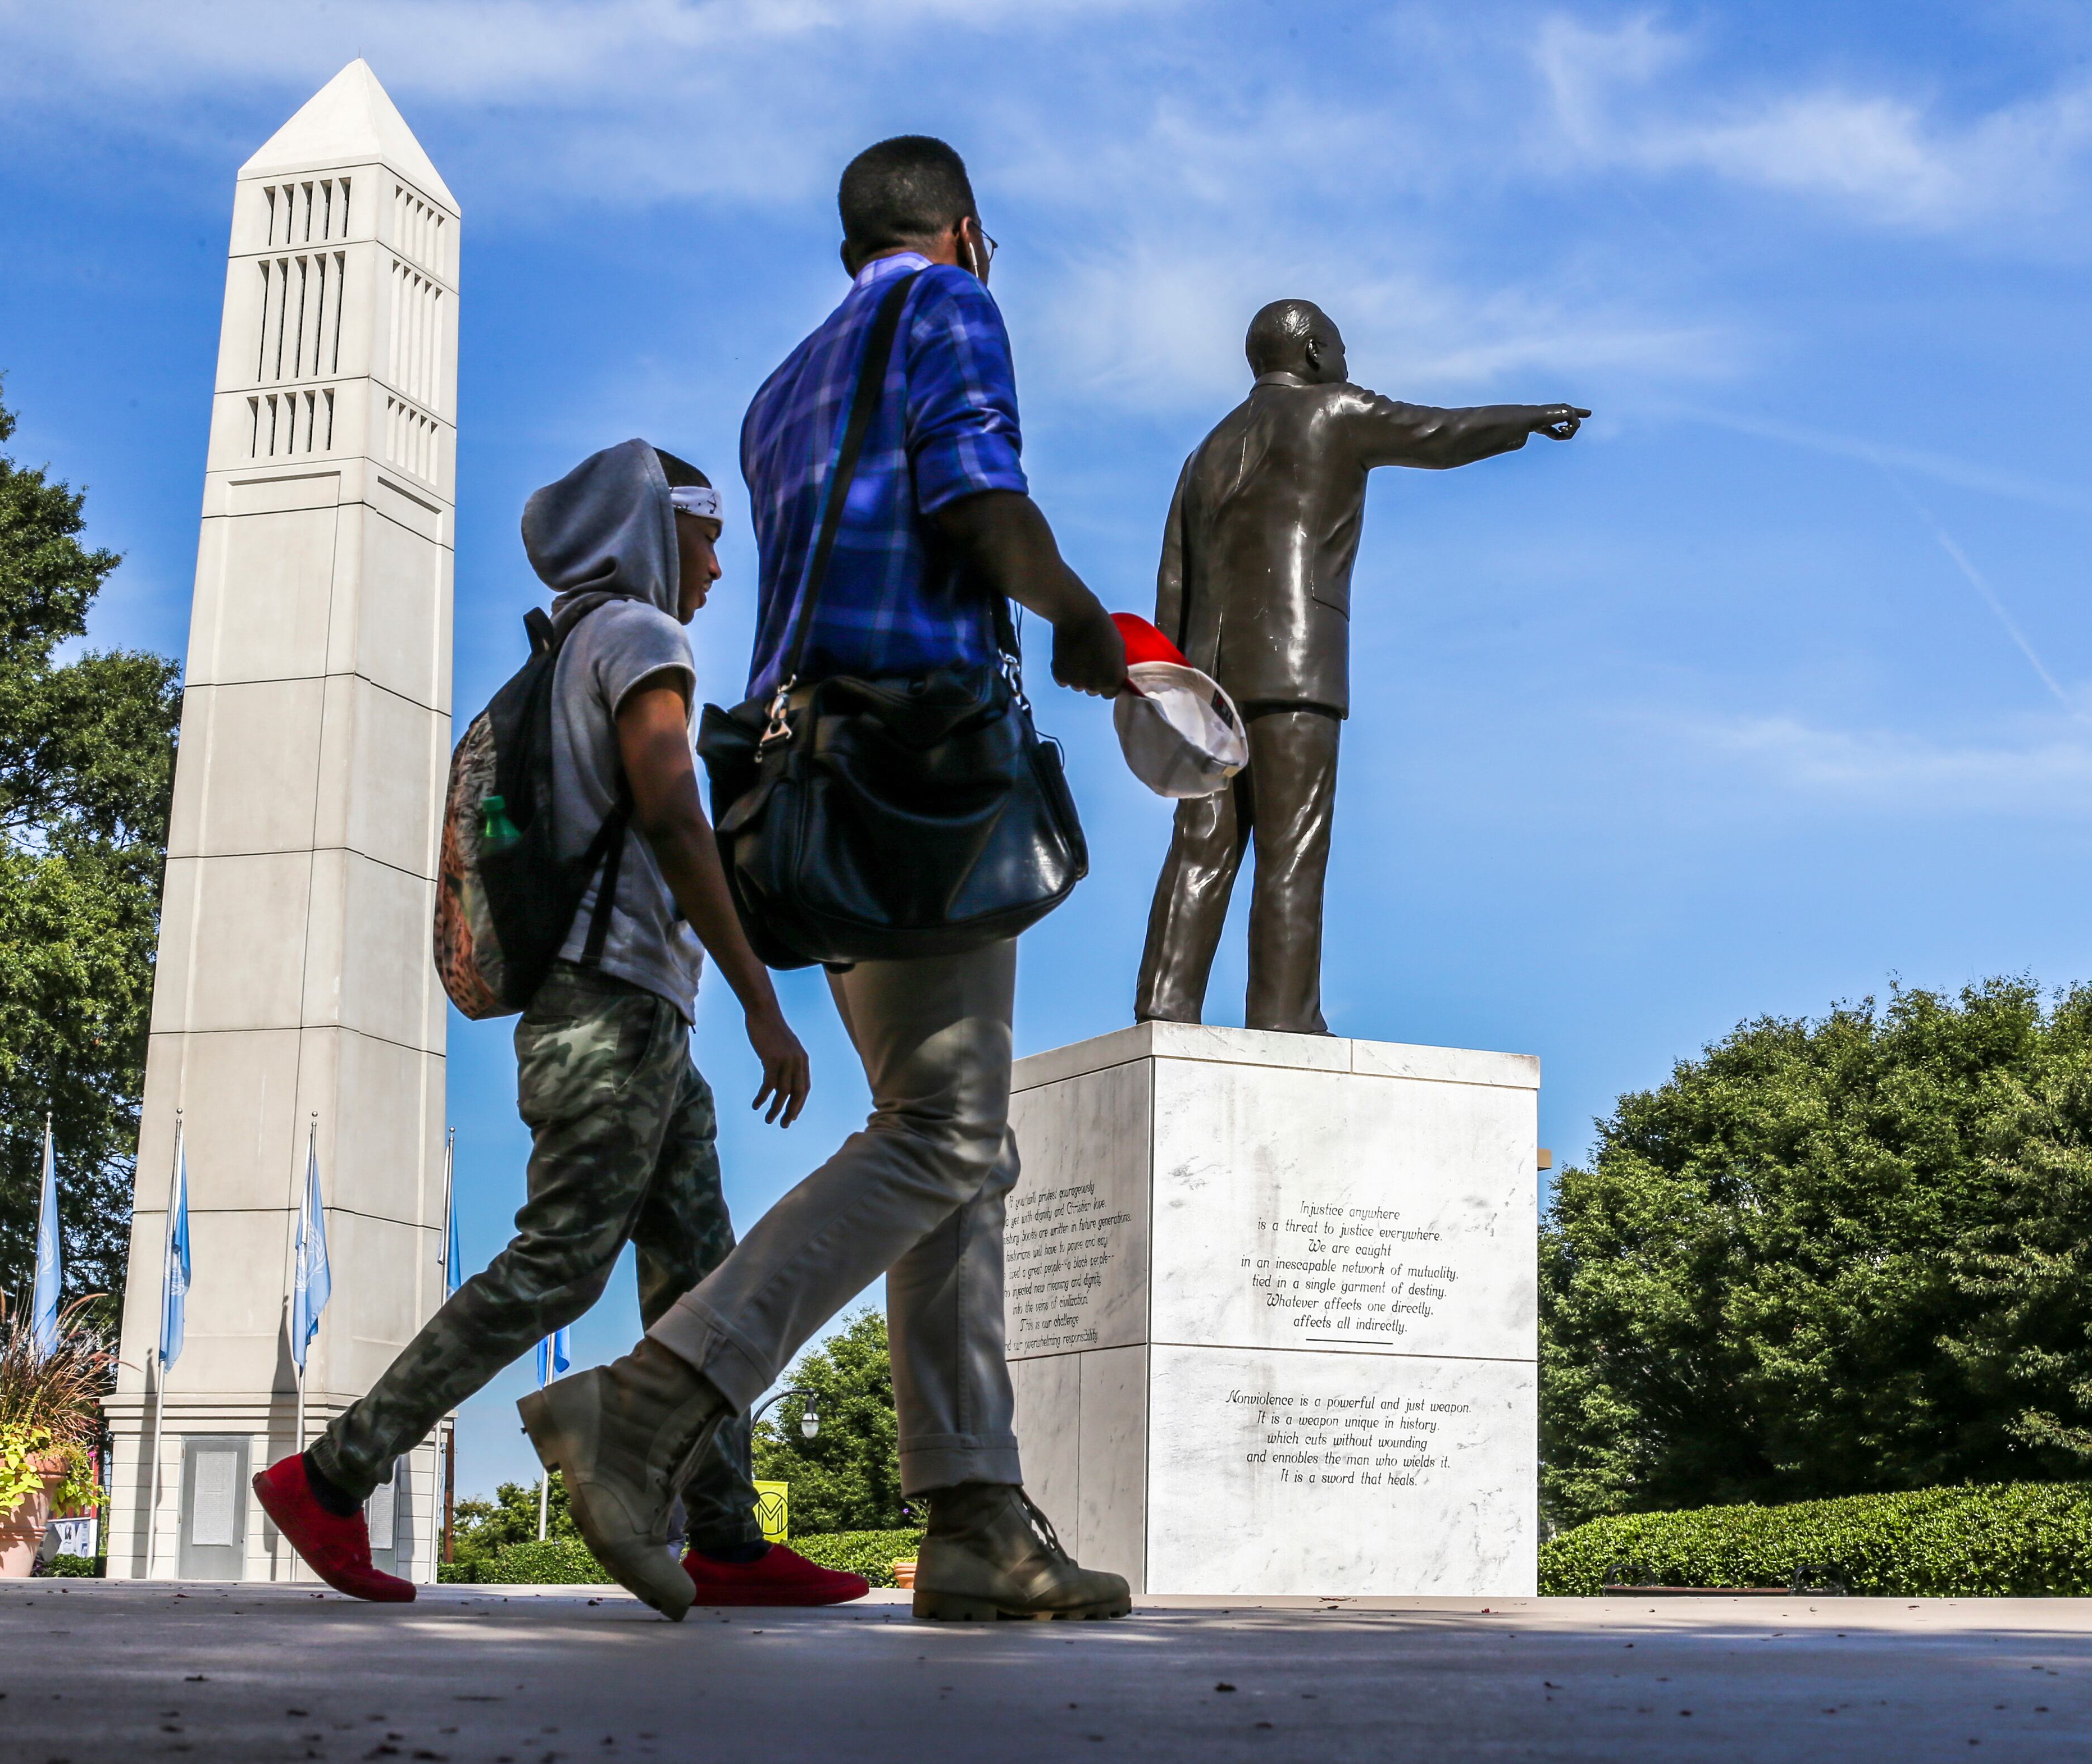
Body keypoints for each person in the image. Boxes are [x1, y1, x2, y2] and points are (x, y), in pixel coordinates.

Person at [516, 136, 1134, 1622]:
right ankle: (654, 1400)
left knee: (952, 1138)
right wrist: (1080, 616)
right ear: (965, 230)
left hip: (804, 790)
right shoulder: (949, 308)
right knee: (946, 1129)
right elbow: (979, 504)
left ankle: (977, 1510)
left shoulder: (778, 384)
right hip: (917, 772)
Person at [254, 440, 867, 1610]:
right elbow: (675, 814)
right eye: (707, 532)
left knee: (700, 1271)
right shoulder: (641, 636)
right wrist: (759, 994)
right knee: (560, 1263)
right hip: (613, 1012)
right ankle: (333, 1476)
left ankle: (727, 1539)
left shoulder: (573, 644)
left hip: (627, 1015)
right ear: (652, 530)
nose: (721, 564)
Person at [1134, 299, 1589, 1034]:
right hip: (1293, 665)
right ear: (1314, 351)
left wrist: (1168, 687)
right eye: (1341, 346)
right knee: (1292, 846)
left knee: (1200, 846)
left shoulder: (1206, 451)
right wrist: (1529, 417)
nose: (1348, 360)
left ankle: (1164, 1005)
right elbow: (1437, 432)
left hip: (1203, 680)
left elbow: (1174, 581)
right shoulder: (1334, 411)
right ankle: (1284, 1015)